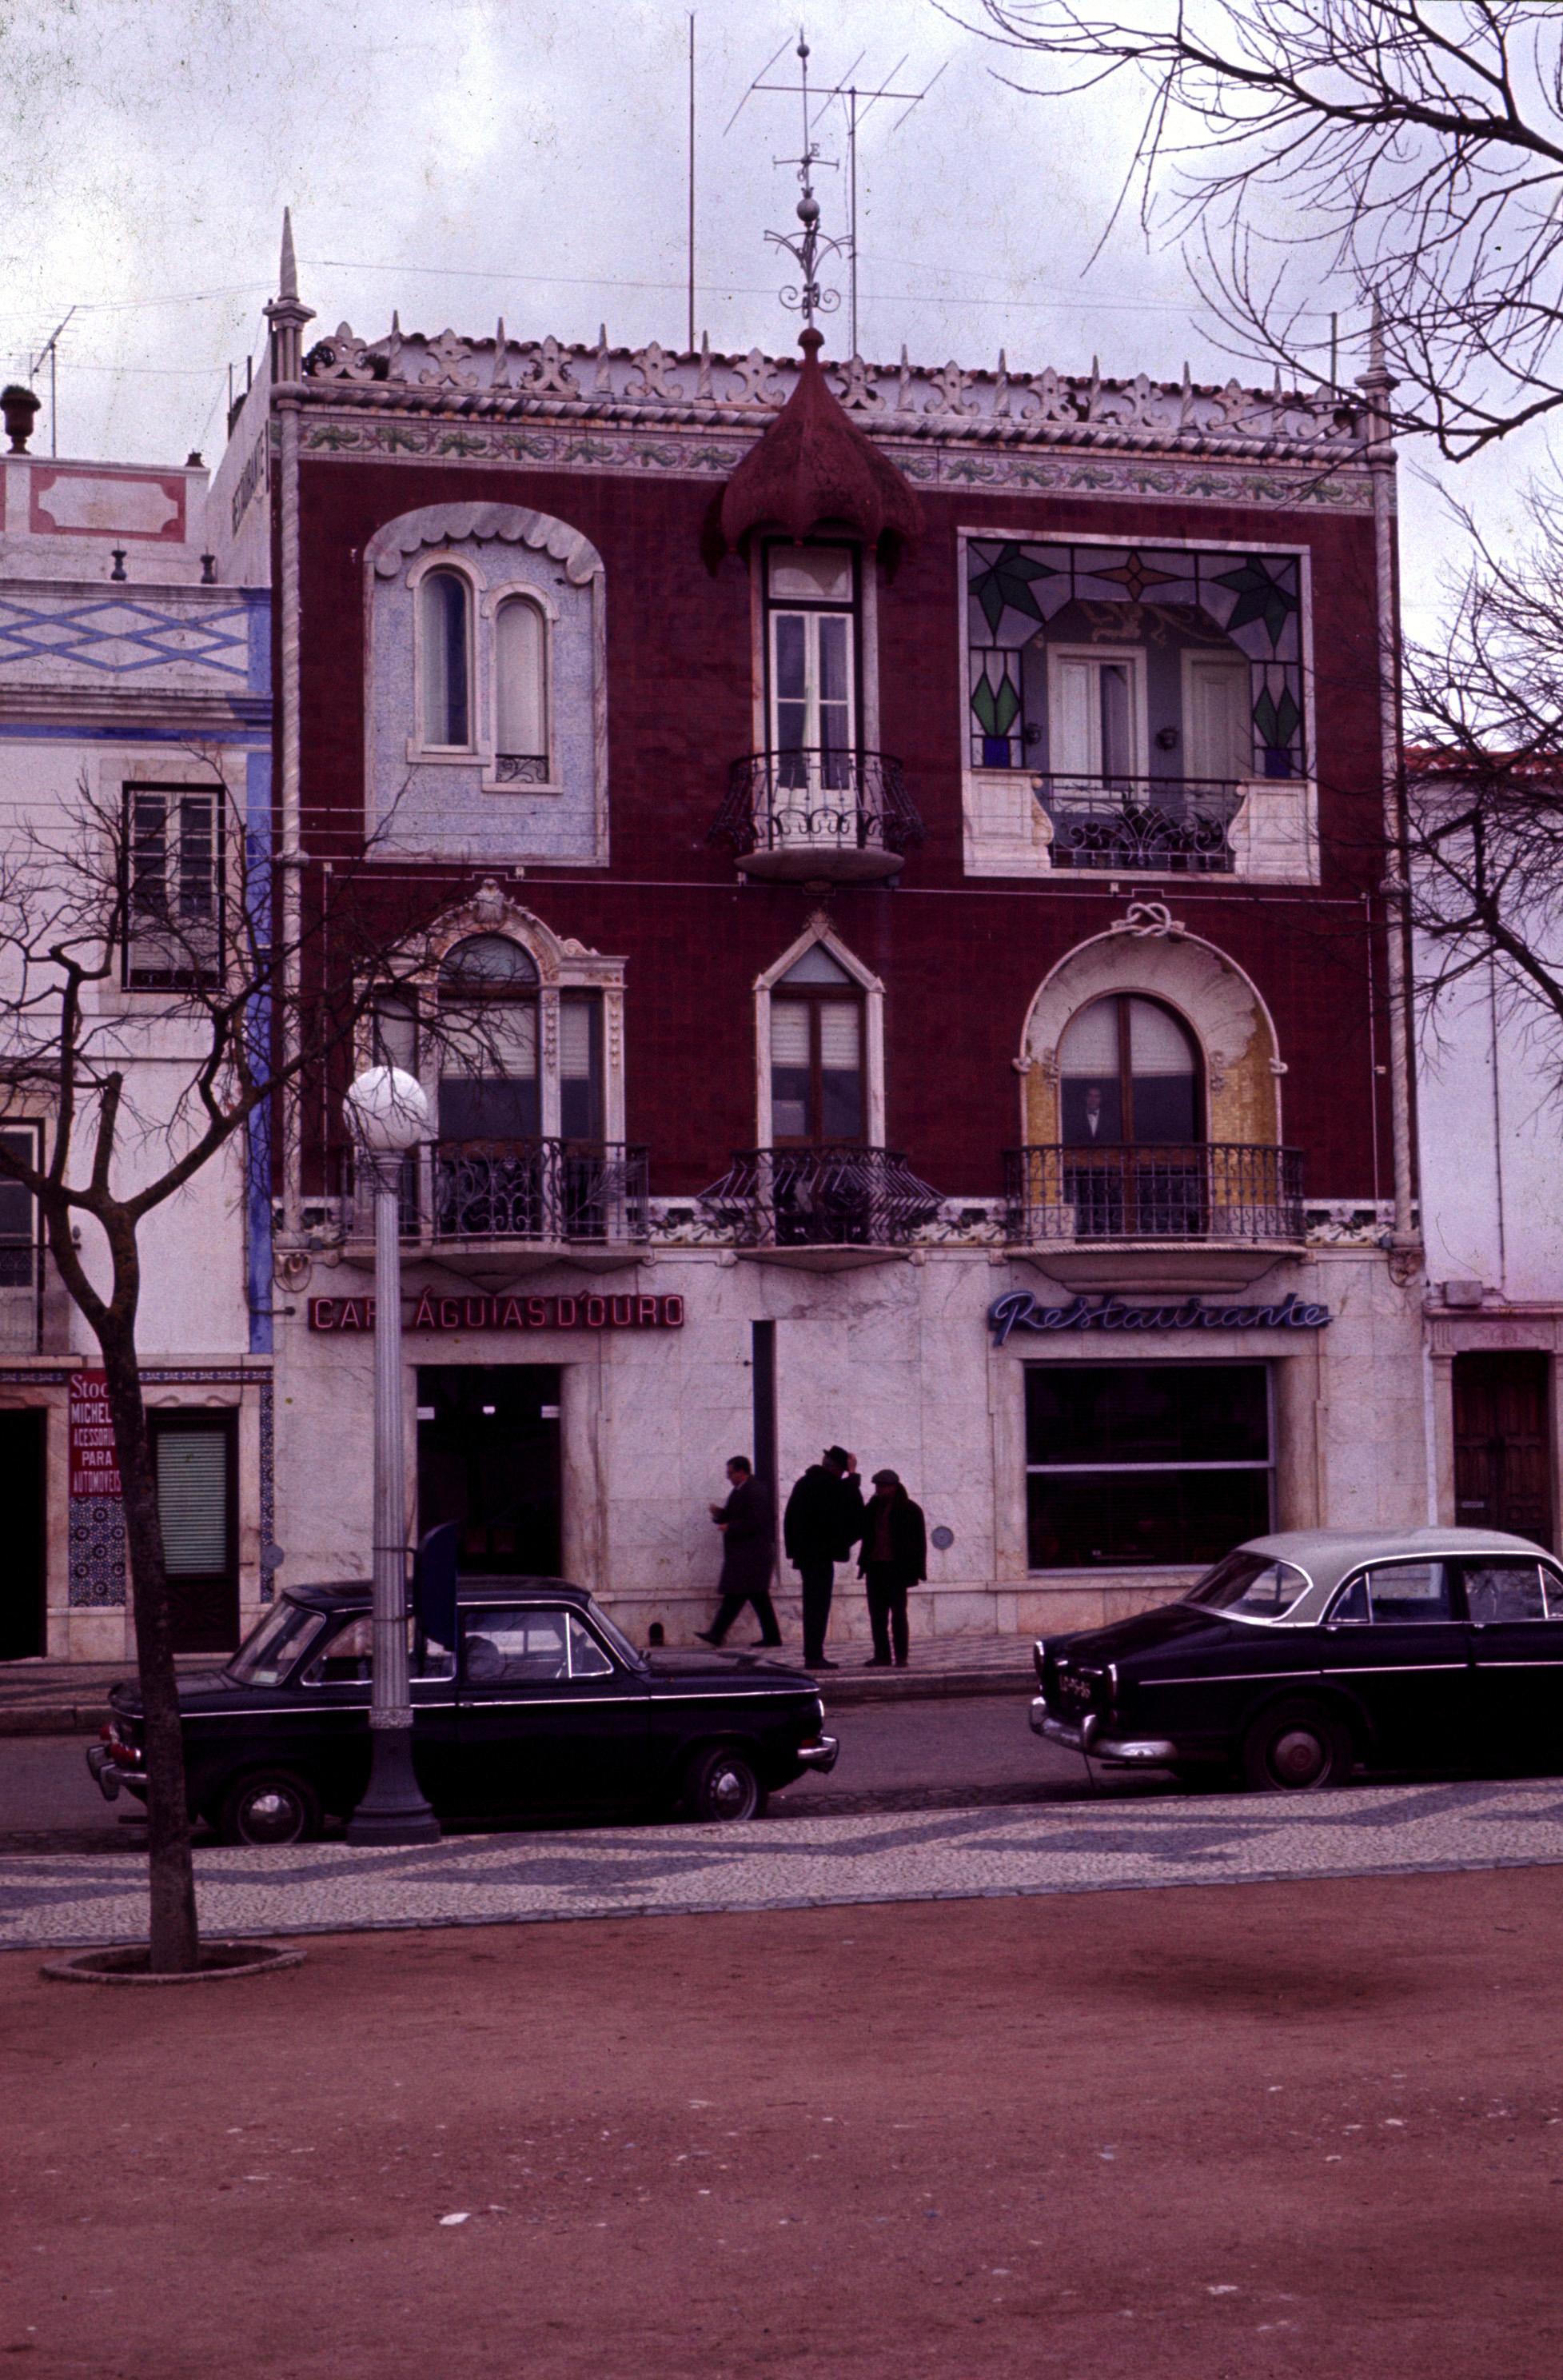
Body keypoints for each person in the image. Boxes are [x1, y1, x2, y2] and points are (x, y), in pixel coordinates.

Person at [783, 1444, 864, 1671]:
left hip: (807, 1555)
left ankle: (813, 1654)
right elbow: (852, 1506)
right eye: (841, 1471)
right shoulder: (826, 1484)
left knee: (813, 1605)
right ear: (837, 1469)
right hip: (820, 1556)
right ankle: (814, 1656)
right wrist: (854, 1474)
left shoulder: (806, 1483)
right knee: (818, 1606)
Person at [696, 1456, 781, 1650]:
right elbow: (738, 1516)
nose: (728, 1477)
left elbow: (757, 1521)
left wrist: (731, 1526)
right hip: (745, 1555)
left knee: (738, 1595)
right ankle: (770, 1636)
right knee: (754, 1597)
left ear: (742, 1472)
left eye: (730, 1473)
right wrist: (720, 1515)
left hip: (752, 1556)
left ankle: (717, 1634)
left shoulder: (755, 1490)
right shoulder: (740, 1491)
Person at [857, 1468, 927, 1668]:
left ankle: (901, 1656)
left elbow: (919, 1543)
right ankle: (882, 1655)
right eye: (877, 1486)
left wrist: (917, 1571)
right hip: (875, 1568)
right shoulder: (873, 1508)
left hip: (897, 1570)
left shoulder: (910, 1509)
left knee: (898, 1615)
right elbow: (863, 1531)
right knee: (877, 1616)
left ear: (894, 1487)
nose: (879, 1490)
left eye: (883, 1486)